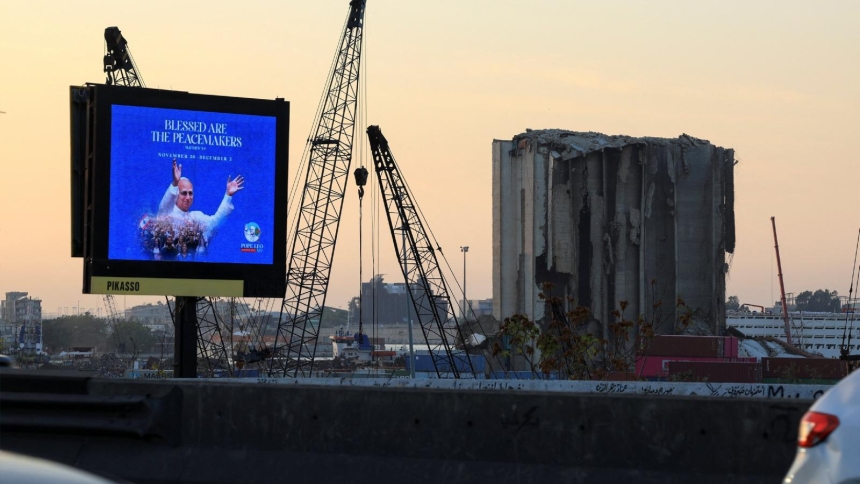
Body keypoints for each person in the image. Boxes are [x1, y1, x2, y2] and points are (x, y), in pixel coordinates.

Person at [157, 159, 244, 242]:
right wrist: (175, 183)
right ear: (176, 195)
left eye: (190, 193)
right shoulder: (168, 214)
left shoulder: (195, 216)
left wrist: (228, 195)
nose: (188, 197)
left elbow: (214, 223)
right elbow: (164, 207)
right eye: (184, 193)